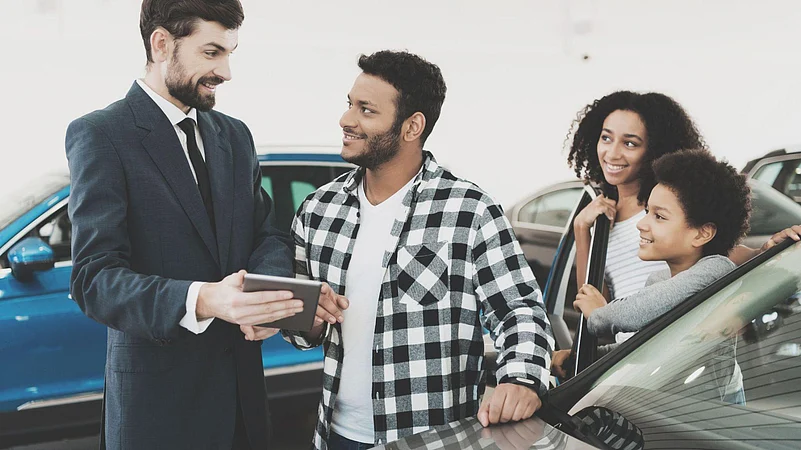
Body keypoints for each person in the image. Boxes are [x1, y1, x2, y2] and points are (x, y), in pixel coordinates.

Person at [283, 50, 554, 449]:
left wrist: (521, 377)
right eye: (349, 104)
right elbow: (302, 332)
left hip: (436, 440)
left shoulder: (469, 210)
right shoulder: (318, 209)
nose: (346, 120)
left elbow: (519, 309)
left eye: (366, 110)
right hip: (337, 436)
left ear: (412, 126)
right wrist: (310, 319)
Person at [65, 1, 303, 448]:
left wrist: (267, 297)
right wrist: (205, 300)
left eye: (230, 53)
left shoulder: (235, 136)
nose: (227, 72)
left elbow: (268, 232)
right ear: (161, 44)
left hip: (243, 407)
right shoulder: (102, 134)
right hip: (158, 413)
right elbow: (94, 279)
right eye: (212, 53)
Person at [565, 91, 799, 347]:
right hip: (633, 350)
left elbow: (718, 258)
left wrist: (765, 253)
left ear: (653, 149)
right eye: (606, 138)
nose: (612, 153)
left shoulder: (671, 201)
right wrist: (582, 230)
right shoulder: (602, 218)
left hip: (676, 353)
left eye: (630, 143)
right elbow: (597, 303)